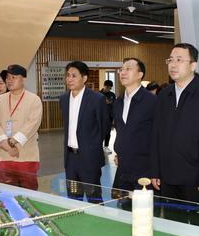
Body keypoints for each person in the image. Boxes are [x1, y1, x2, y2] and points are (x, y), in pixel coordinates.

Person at [150, 43, 199, 228]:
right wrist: (155, 171)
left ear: (193, 65)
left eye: (179, 60)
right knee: (173, 226)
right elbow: (156, 135)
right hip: (167, 177)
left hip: (196, 179)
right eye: (170, 60)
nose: (173, 64)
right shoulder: (164, 95)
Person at [60, 61, 109, 203]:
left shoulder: (97, 99)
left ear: (84, 78)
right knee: (73, 199)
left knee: (94, 200)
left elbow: (104, 127)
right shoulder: (64, 99)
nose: (69, 79)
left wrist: (91, 147)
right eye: (68, 75)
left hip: (89, 159)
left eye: (74, 76)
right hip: (70, 159)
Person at [0, 64, 43, 190]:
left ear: (23, 79)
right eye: (8, 77)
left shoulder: (34, 100)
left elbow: (32, 124)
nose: (9, 80)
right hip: (4, 155)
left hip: (27, 155)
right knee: (6, 192)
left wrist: (13, 141)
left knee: (29, 193)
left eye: (14, 77)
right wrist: (8, 147)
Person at [112, 58, 156, 204]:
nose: (123, 72)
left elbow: (158, 137)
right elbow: (122, 132)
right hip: (123, 168)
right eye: (121, 69)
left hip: (144, 169)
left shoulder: (152, 101)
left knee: (143, 210)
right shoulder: (118, 102)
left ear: (140, 75)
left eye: (128, 69)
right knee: (124, 209)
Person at [100, 79, 116, 155]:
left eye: (110, 88)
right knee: (100, 132)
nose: (108, 89)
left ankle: (106, 146)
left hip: (109, 116)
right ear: (104, 86)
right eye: (107, 87)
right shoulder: (98, 94)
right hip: (100, 116)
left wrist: (114, 117)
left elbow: (114, 105)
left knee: (108, 132)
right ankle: (99, 146)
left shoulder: (112, 95)